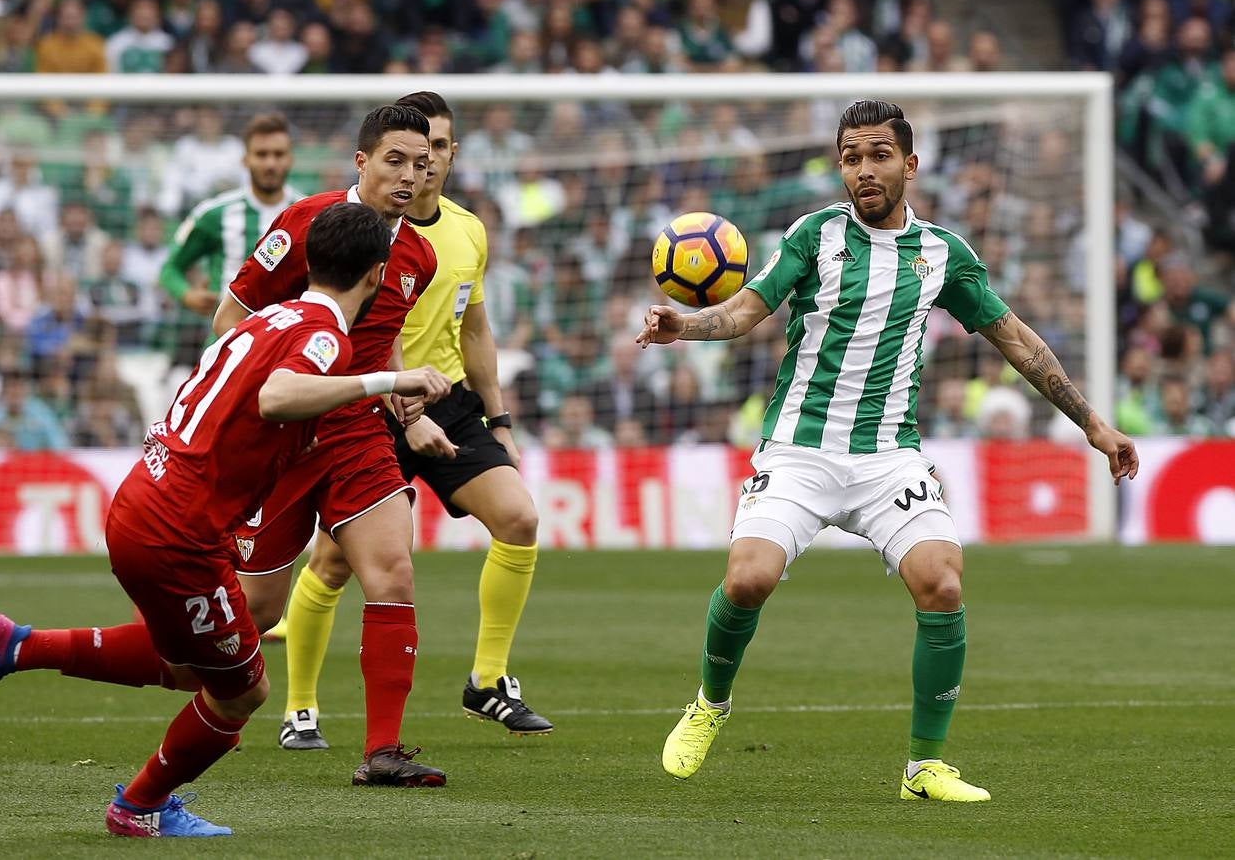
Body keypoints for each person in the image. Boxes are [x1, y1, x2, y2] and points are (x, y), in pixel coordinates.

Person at [637, 100, 1139, 802]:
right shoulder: (814, 235)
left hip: (887, 457)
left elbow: (1017, 340)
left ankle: (923, 769)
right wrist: (682, 326)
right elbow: (747, 310)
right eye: (850, 156)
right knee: (748, 578)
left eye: (877, 155)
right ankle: (709, 704)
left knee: (944, 582)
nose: (863, 169)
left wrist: (1093, 423)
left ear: (909, 163)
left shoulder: (943, 254)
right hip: (799, 449)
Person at [0, 201, 453, 837]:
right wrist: (383, 380)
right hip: (177, 531)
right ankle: (139, 806)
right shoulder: (325, 336)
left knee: (193, 667)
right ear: (375, 276)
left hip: (143, 499)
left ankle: (12, 645)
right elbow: (277, 396)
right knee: (241, 693)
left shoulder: (261, 320)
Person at [277, 91, 549, 752]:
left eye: (438, 150)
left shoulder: (465, 232)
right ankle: (300, 706)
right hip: (373, 404)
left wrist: (500, 417)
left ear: (448, 156)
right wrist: (400, 410)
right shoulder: (354, 230)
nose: (423, 165)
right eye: (408, 153)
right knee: (335, 564)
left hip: (446, 399)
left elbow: (476, 327)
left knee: (520, 518)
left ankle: (487, 680)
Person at [210, 103, 447, 787]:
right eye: (395, 160)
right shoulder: (302, 224)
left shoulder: (419, 256)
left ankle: (381, 751)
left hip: (355, 432)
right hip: (279, 436)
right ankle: (177, 686)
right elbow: (235, 316)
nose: (410, 173)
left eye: (422, 161)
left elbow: (386, 339)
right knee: (258, 610)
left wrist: (406, 415)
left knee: (393, 574)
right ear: (362, 162)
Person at [160, 113, 304, 321]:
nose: (270, 164)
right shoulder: (214, 214)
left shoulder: (311, 214)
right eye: (261, 154)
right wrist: (188, 295)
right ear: (245, 160)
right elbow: (170, 268)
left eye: (278, 154)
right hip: (227, 340)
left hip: (286, 343)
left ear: (290, 159)